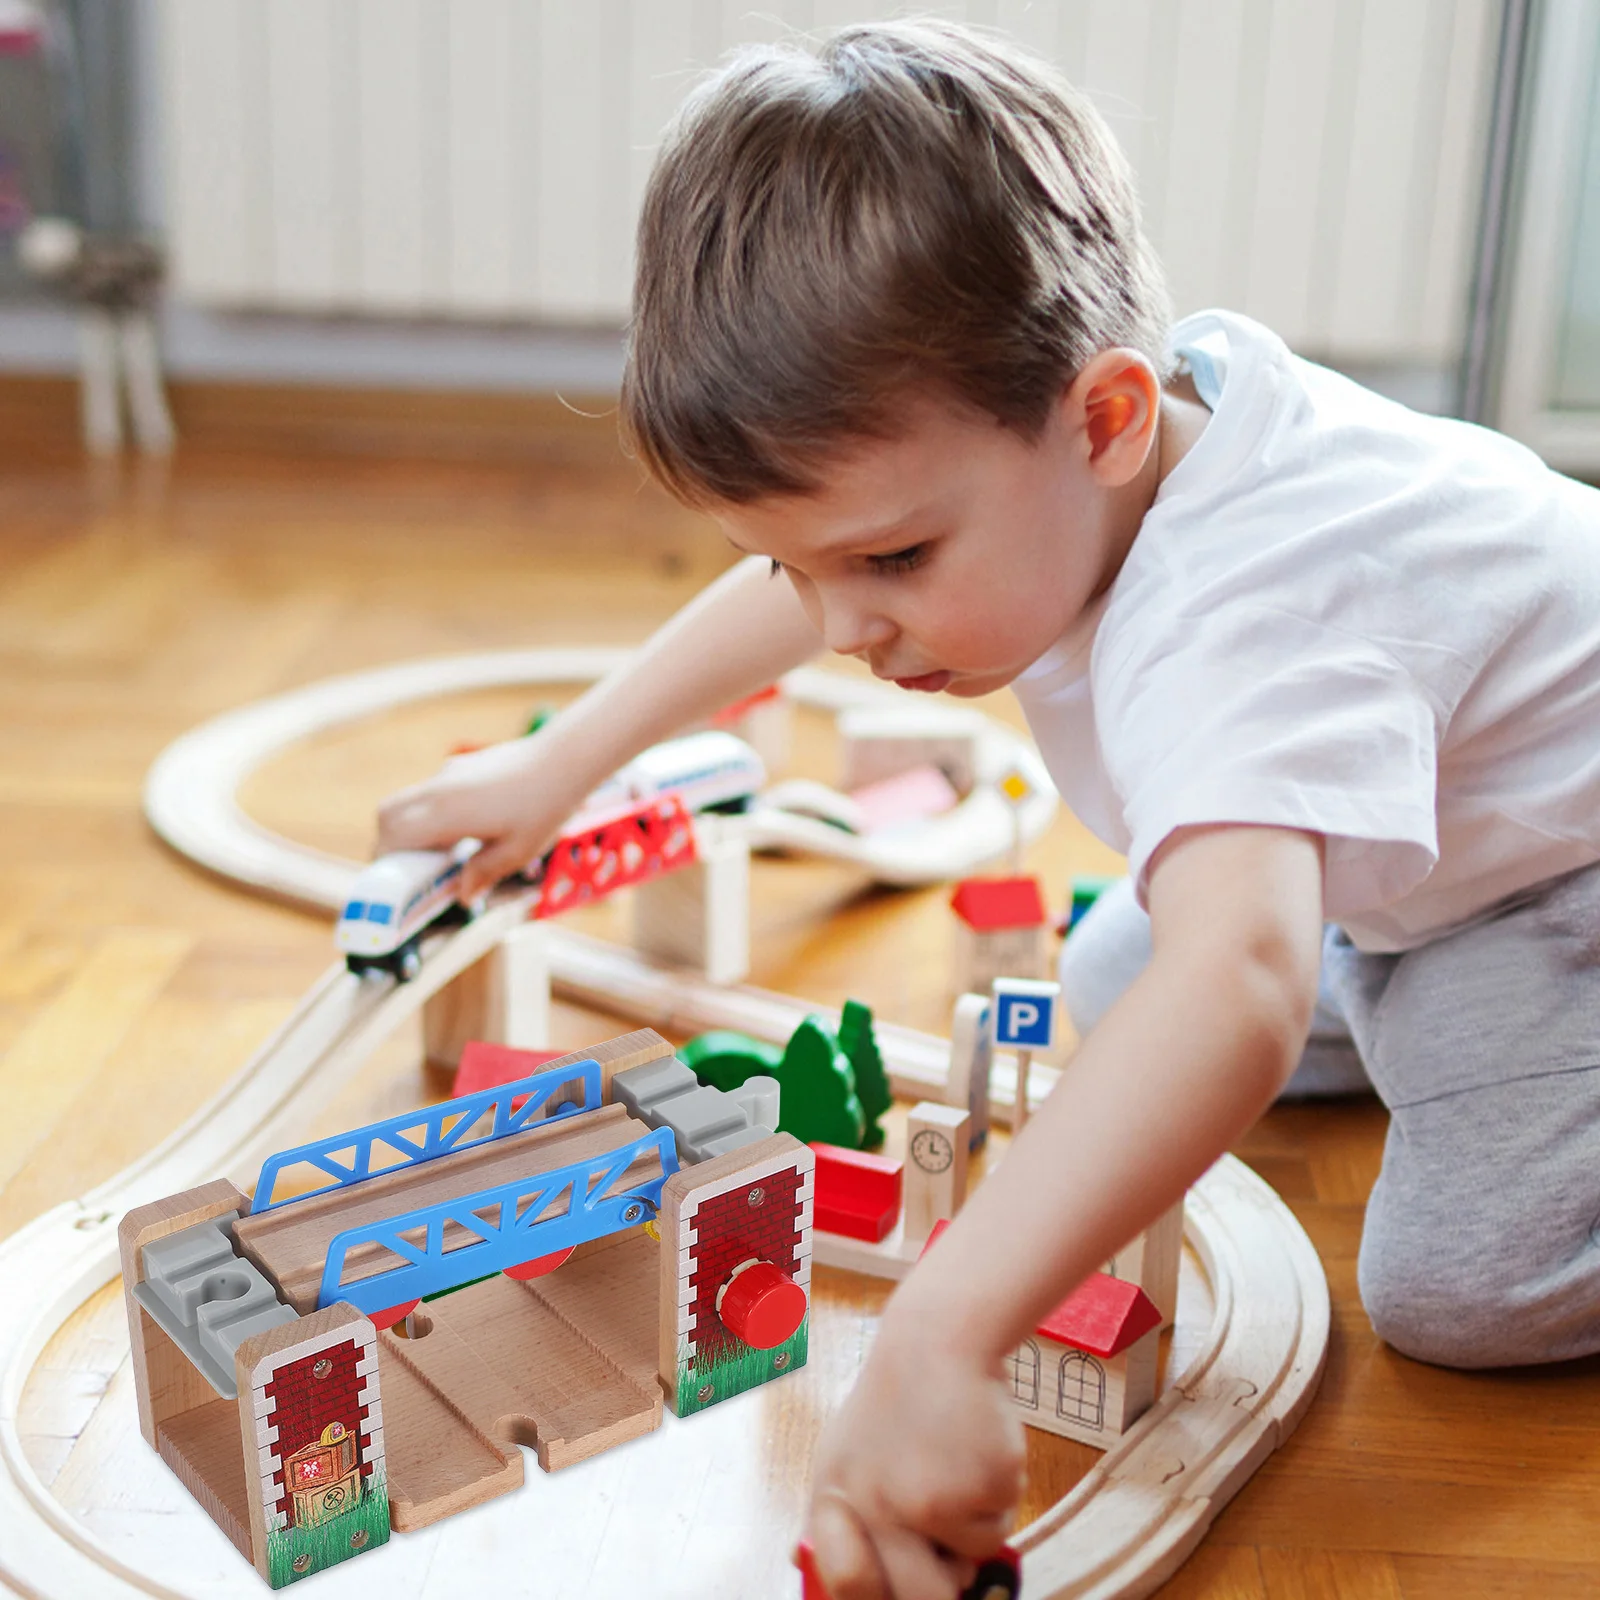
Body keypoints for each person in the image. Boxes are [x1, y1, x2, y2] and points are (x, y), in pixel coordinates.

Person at [377, 21, 1600, 1600]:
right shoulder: (1109, 447)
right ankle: (1394, 974)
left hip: (1557, 886)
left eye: (891, 566)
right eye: (806, 565)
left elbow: (1240, 983)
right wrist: (566, 764)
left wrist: (946, 1327)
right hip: (1431, 861)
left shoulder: (1246, 614)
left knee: (1462, 1292)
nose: (842, 631)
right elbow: (798, 585)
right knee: (1111, 982)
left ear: (1100, 416)